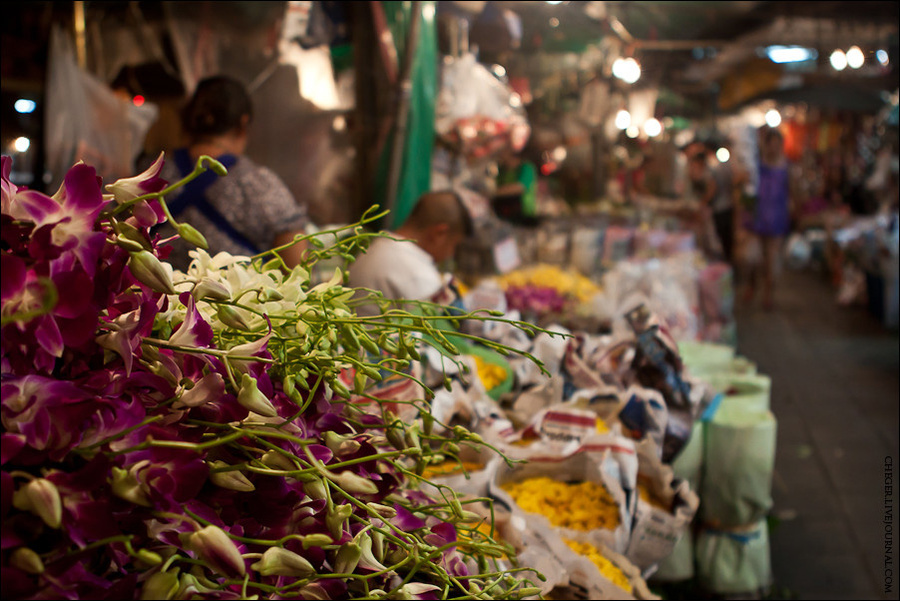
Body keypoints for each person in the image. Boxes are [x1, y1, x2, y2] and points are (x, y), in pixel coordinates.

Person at [158, 76, 309, 271]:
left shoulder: (151, 173)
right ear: (243, 124)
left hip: (158, 300)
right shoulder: (260, 183)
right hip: (239, 300)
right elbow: (297, 268)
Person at [348, 190, 474, 316]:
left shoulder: (378, 245)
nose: (451, 255)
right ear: (440, 233)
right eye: (454, 245)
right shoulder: (420, 276)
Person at [740, 127, 794, 310]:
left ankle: (768, 295)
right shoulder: (756, 165)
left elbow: (792, 192)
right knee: (752, 259)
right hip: (757, 218)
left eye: (777, 146)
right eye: (771, 145)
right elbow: (745, 188)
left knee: (771, 261)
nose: (773, 149)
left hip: (776, 219)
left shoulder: (787, 167)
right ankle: (751, 286)